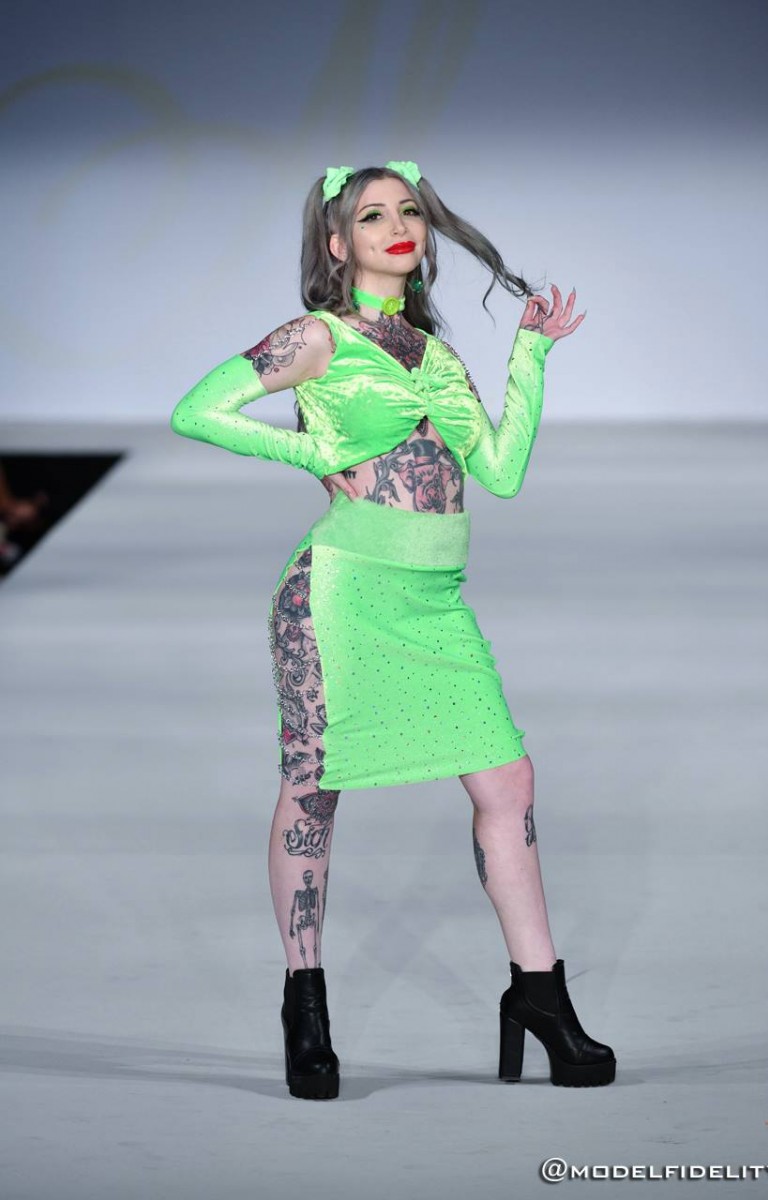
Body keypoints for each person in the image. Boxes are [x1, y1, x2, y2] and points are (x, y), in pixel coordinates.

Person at [170, 160, 616, 1100]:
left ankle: (539, 996)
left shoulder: (437, 357)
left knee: (508, 780)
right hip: (339, 594)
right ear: (338, 244)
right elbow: (196, 409)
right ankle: (305, 1006)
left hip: (435, 602)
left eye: (409, 210)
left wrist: (530, 358)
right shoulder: (317, 337)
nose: (397, 225)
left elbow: (500, 473)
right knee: (314, 787)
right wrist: (309, 449)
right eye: (372, 215)